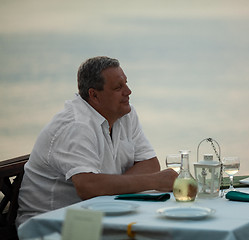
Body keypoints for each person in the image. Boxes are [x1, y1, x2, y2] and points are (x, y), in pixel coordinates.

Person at [16, 56, 178, 227]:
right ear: (94, 95)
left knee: (167, 226)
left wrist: (109, 186)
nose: (128, 91)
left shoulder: (125, 114)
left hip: (98, 216)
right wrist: (154, 181)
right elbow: (88, 187)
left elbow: (150, 164)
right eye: (118, 88)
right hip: (52, 225)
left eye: (126, 84)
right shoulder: (76, 126)